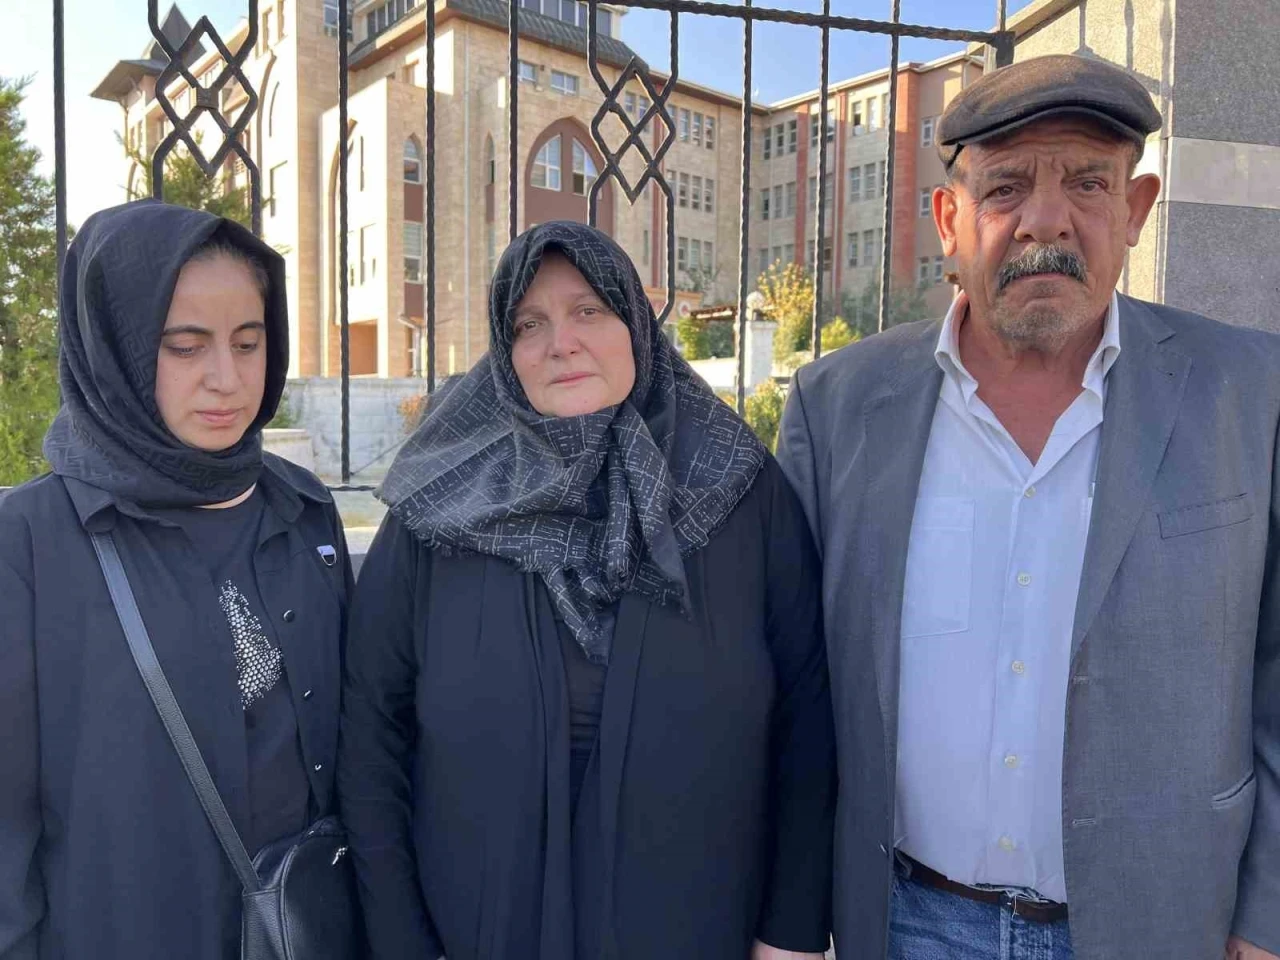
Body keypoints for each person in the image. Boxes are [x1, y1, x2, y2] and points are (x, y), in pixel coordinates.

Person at [777, 53, 1280, 960]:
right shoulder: (837, 406)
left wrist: (1268, 916)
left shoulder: (1250, 392)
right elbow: (794, 686)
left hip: (1167, 926)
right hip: (908, 922)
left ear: (1135, 210)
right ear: (949, 220)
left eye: (1088, 182)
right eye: (1006, 186)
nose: (1046, 220)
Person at [338, 220, 835, 960]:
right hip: (477, 932)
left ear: (635, 322)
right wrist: (402, 943)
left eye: (588, 310)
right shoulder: (439, 506)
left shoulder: (737, 488)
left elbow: (807, 714)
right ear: (505, 351)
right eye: (528, 323)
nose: (560, 343)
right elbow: (370, 731)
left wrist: (789, 934)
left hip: (696, 925)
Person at [0, 200, 352, 960]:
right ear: (117, 350)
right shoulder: (30, 540)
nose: (227, 379)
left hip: (298, 930)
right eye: (185, 347)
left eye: (248, 342)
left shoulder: (304, 510)